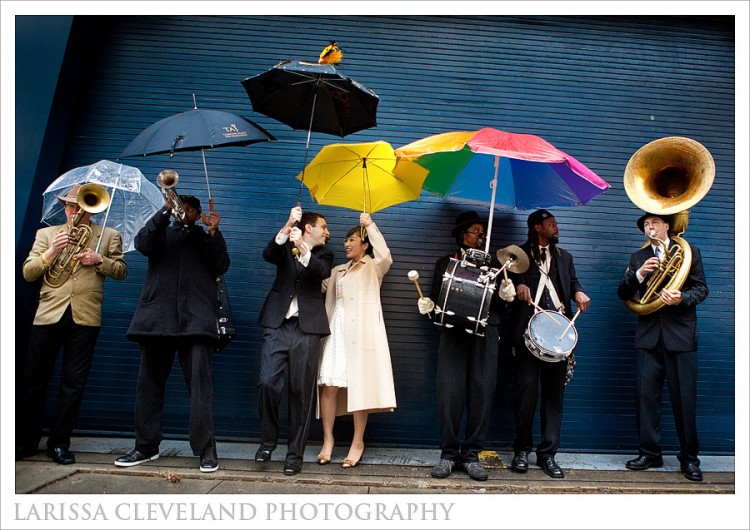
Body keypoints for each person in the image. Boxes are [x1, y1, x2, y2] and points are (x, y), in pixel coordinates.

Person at [115, 194, 230, 473]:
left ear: (198, 214)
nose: (185, 212)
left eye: (191, 209)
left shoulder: (205, 239)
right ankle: (145, 447)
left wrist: (214, 232)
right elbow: (142, 243)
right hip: (157, 321)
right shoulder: (161, 233)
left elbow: (221, 266)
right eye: (182, 207)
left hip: (197, 322)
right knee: (149, 386)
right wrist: (165, 210)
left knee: (201, 389)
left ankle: (205, 448)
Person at [17, 184, 128, 465]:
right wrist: (51, 252)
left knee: (73, 383)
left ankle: (59, 443)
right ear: (64, 207)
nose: (75, 210)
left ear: (94, 206)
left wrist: (99, 259)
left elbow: (122, 271)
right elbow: (29, 273)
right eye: (70, 205)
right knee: (32, 381)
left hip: (85, 318)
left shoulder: (107, 236)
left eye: (81, 205)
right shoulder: (47, 235)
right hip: (48, 315)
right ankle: (25, 441)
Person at [417, 211, 516, 481]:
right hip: (452, 333)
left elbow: (501, 307)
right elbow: (438, 299)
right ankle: (448, 454)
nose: (480, 236)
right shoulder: (445, 263)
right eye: (475, 231)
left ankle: (472, 455)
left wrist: (506, 296)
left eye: (482, 232)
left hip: (486, 333)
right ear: (462, 235)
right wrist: (427, 308)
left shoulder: (495, 266)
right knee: (449, 392)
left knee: (482, 392)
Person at [617, 212, 708, 482]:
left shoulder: (689, 252)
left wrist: (681, 297)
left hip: (680, 336)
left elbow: (701, 289)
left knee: (684, 401)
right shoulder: (638, 258)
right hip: (648, 337)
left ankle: (689, 459)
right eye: (646, 225)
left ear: (667, 225)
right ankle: (649, 453)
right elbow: (623, 293)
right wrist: (638, 276)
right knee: (646, 399)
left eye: (654, 222)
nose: (649, 227)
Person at [508, 209, 590, 479]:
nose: (557, 228)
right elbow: (506, 285)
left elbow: (574, 282)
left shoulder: (565, 257)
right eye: (551, 224)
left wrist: (578, 292)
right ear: (536, 227)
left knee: (554, 397)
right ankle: (521, 450)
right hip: (527, 335)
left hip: (558, 335)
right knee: (526, 394)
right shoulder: (517, 255)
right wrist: (517, 286)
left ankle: (548, 454)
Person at [256, 206, 333, 476]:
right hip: (277, 324)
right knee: (267, 382)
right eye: (323, 227)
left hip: (307, 329)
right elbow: (268, 253)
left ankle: (294, 455)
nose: (327, 232)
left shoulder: (324, 254)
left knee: (301, 393)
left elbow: (321, 272)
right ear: (309, 226)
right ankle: (268, 442)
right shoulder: (285, 245)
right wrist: (289, 224)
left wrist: (302, 247)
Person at [316, 213, 396, 469]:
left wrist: (370, 225)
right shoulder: (337, 270)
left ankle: (357, 442)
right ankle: (328, 441)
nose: (346, 244)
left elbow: (386, 255)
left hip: (360, 335)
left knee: (358, 389)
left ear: (364, 244)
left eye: (351, 240)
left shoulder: (374, 266)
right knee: (329, 386)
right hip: (335, 332)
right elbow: (315, 283)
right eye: (345, 241)